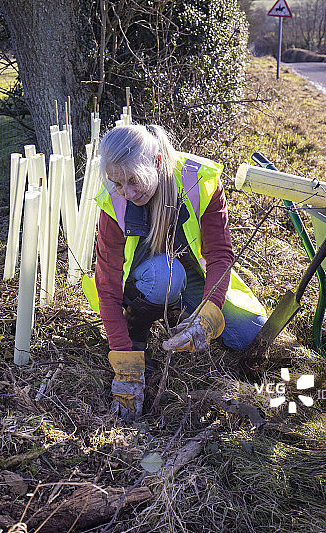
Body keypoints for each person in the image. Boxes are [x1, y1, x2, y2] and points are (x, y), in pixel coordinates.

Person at [83, 124, 268, 421]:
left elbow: (220, 255)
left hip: (190, 273)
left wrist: (208, 316)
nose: (126, 193)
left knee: (249, 334)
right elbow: (106, 287)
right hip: (145, 280)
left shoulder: (198, 181)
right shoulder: (113, 200)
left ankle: (178, 311)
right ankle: (138, 328)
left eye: (134, 181)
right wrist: (125, 366)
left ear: (157, 162)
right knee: (164, 275)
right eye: (118, 183)